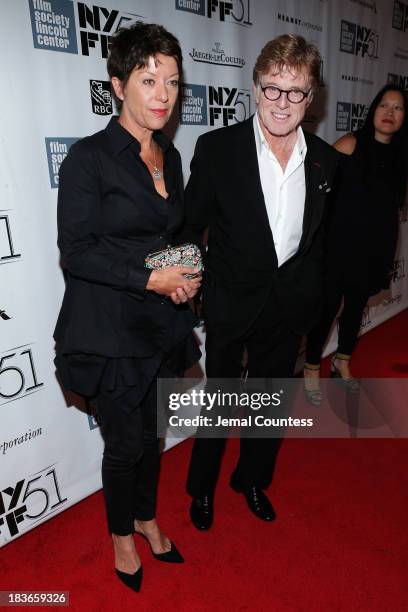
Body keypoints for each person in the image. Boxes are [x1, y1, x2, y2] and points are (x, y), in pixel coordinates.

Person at [54, 22, 201, 592]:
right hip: (111, 331)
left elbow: (174, 238)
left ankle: (146, 515)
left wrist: (186, 277)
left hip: (163, 327)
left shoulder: (172, 156)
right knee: (123, 444)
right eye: (148, 80)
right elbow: (78, 253)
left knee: (153, 436)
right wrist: (151, 278)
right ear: (118, 85)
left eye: (172, 81)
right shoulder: (88, 160)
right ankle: (121, 534)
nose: (163, 94)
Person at [180, 34, 338, 530]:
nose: (282, 103)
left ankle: (251, 479)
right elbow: (188, 228)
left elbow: (321, 239)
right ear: (255, 87)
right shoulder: (217, 149)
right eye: (272, 89)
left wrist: (314, 298)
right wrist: (197, 288)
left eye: (295, 92)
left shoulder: (326, 161)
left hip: (289, 307)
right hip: (230, 301)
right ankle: (201, 489)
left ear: (310, 98)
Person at [304, 84, 408, 403]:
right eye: (384, 105)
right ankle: (310, 369)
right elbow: (316, 189)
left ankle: (342, 361)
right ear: (373, 109)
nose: (389, 113)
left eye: (398, 108)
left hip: (375, 247)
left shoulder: (402, 157)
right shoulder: (351, 143)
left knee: (355, 310)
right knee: (326, 310)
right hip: (339, 246)